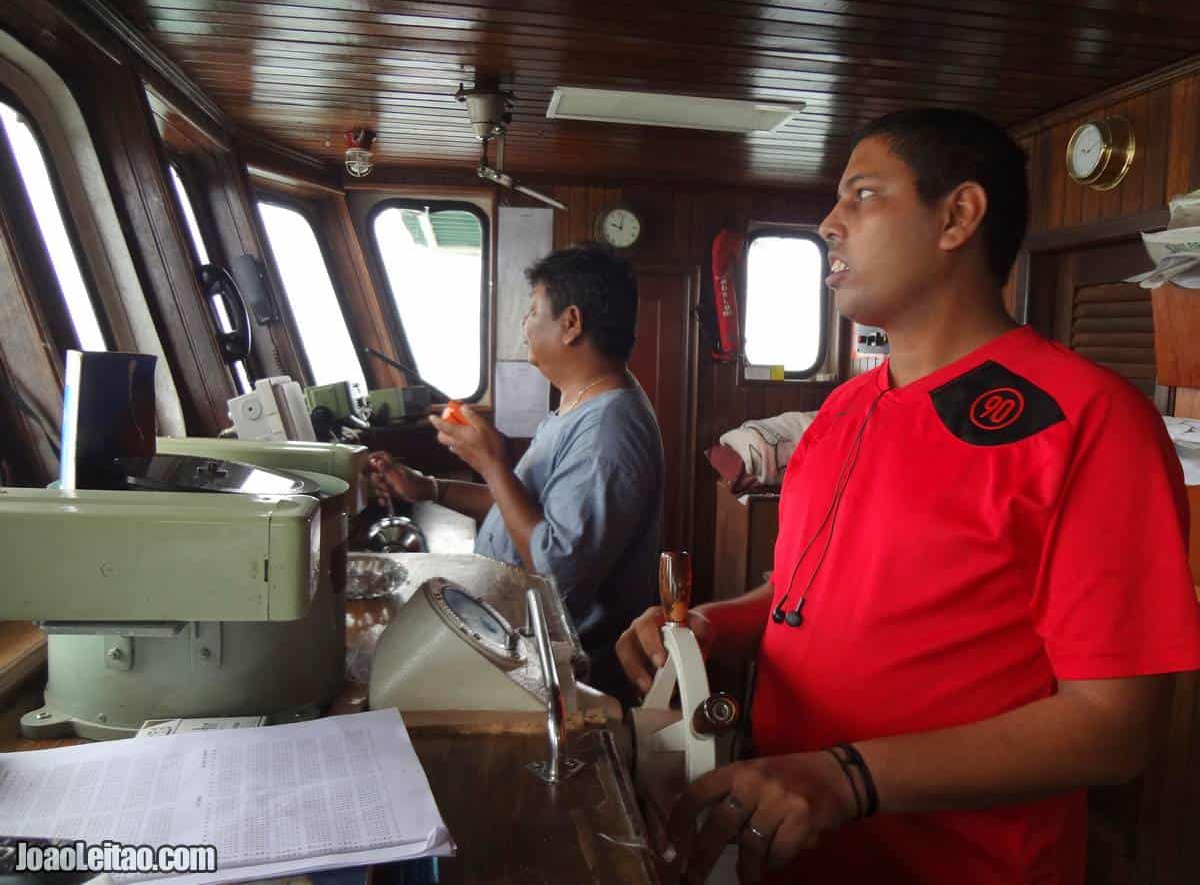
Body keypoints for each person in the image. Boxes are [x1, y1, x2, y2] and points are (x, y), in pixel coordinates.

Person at [615, 108, 1200, 885]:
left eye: (861, 195)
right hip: (792, 850)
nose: (829, 223)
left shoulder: (1086, 420)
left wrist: (845, 776)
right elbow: (798, 596)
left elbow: (1114, 727)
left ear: (957, 216)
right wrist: (712, 627)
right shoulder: (844, 413)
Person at [371, 243, 665, 699]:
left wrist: (489, 461)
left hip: (566, 672)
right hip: (522, 642)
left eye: (532, 311)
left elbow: (555, 570)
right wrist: (427, 488)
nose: (523, 326)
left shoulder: (608, 434)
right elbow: (522, 507)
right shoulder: (578, 403)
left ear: (571, 324)